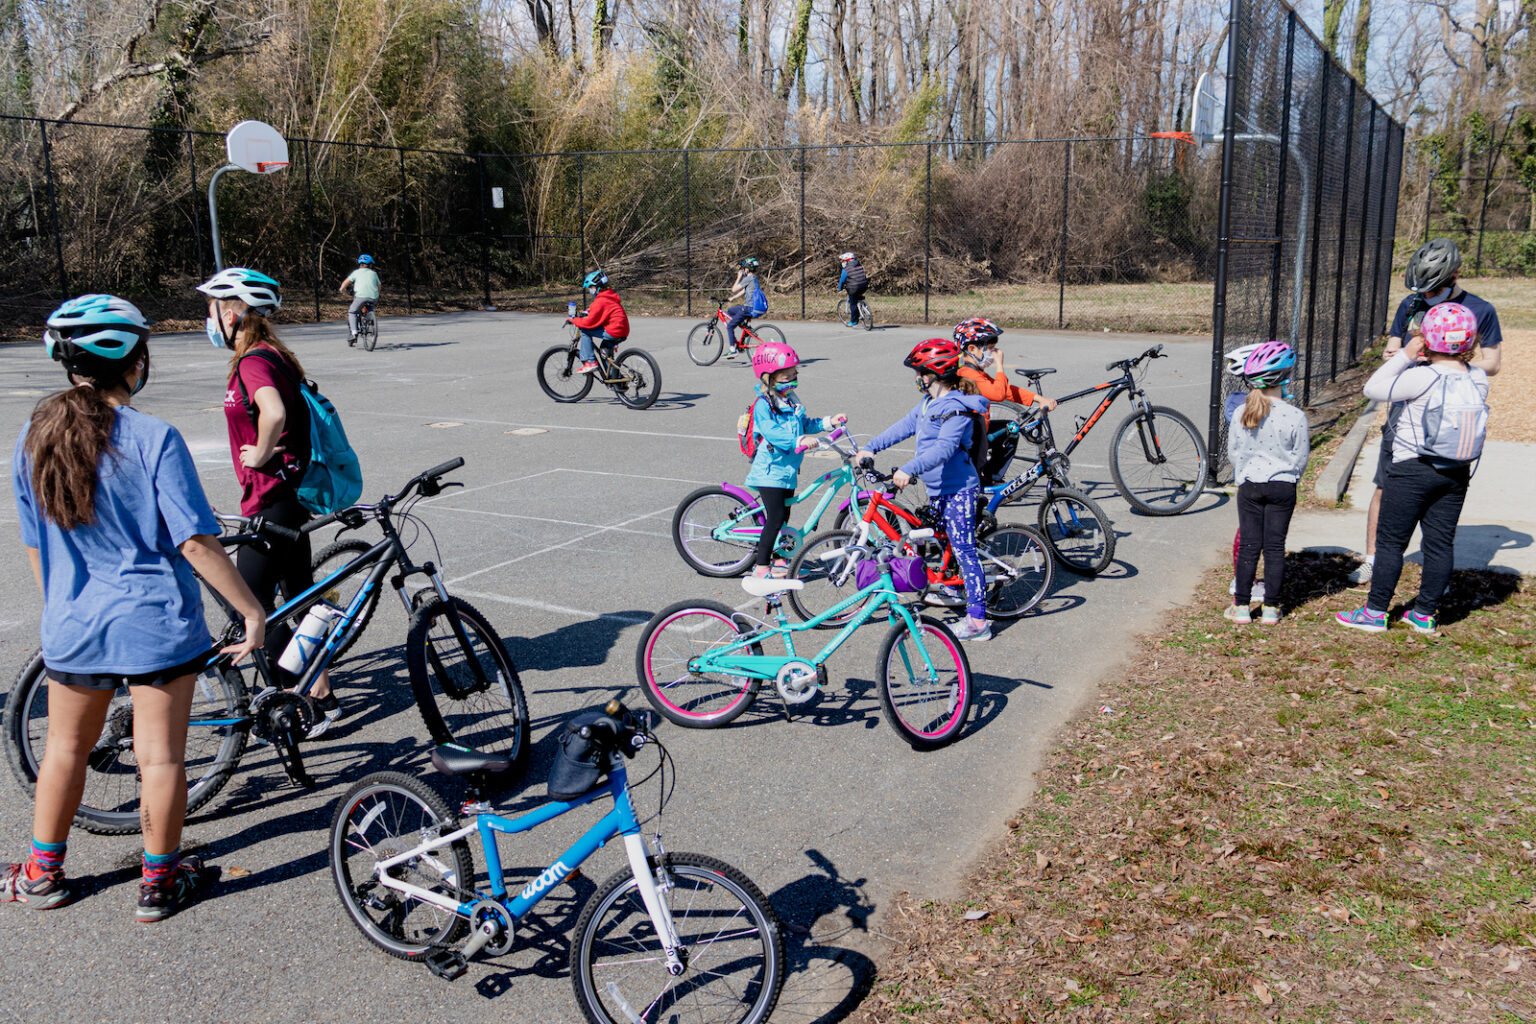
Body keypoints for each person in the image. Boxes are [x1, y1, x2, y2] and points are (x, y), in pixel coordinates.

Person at [3, 295, 263, 920]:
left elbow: (37, 544)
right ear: (132, 362)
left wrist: (66, 606)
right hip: (154, 625)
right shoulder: (153, 437)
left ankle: (42, 872)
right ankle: (159, 882)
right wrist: (251, 610)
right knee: (161, 757)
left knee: (65, 749)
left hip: (74, 623)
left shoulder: (33, 436)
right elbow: (196, 542)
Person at [198, 268, 340, 738]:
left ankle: (295, 703)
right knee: (298, 596)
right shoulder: (276, 354)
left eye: (212, 308)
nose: (209, 318)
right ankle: (321, 692)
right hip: (289, 495)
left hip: (271, 498)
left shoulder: (253, 361)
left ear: (233, 312)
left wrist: (259, 452)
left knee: (253, 606)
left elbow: (275, 412)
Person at [1349, 238, 1501, 586]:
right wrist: (1403, 356)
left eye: (1433, 290)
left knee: (1441, 500)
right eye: (1423, 292)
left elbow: (1493, 362)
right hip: (1406, 412)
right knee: (1384, 486)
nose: (1426, 298)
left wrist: (1450, 358)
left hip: (1452, 418)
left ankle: (1434, 575)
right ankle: (1374, 560)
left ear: (1454, 276)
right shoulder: (1411, 303)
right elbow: (1393, 347)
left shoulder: (1481, 309)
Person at [1337, 303, 1489, 635]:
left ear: (1427, 339)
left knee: (1391, 542)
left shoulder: (1422, 376)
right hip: (1456, 471)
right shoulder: (1477, 377)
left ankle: (1375, 612)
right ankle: (1424, 614)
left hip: (1412, 468)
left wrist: (1406, 354)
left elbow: (1373, 389)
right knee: (1440, 542)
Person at [858, 339, 993, 642]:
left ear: (932, 374)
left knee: (964, 550)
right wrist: (871, 447)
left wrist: (909, 468)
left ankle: (978, 621)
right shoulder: (928, 404)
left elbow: (945, 449)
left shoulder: (956, 409)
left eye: (919, 372)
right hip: (938, 489)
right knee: (944, 539)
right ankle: (953, 587)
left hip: (959, 489)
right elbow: (903, 427)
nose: (916, 378)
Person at [1222, 342, 1308, 625]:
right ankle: (1271, 608)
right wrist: (1289, 475)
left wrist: (1246, 472)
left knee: (1249, 546)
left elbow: (1233, 452)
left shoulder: (1242, 412)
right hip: (1283, 486)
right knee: (1274, 547)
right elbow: (1301, 457)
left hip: (1250, 485)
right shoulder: (1296, 415)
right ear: (1286, 379)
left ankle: (1242, 608)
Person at [743, 341, 845, 578]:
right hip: (770, 472)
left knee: (785, 517)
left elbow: (805, 423)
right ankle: (761, 567)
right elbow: (771, 432)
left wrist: (829, 422)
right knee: (776, 517)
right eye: (787, 376)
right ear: (768, 377)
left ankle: (780, 559)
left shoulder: (789, 398)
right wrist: (797, 442)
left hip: (787, 471)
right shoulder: (763, 404)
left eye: (795, 374)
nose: (793, 379)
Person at [952, 317, 1057, 485]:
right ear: (972, 348)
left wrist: (1038, 399)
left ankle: (990, 477)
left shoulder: (975, 371)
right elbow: (998, 393)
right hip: (971, 436)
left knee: (1011, 430)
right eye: (990, 349)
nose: (993, 354)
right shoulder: (968, 374)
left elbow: (1004, 389)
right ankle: (985, 480)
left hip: (980, 429)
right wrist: (1000, 366)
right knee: (1010, 430)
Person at [567, 270, 630, 374]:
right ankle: (617, 382)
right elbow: (599, 310)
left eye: (591, 288)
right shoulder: (609, 295)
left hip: (614, 330)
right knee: (604, 351)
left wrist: (575, 320)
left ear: (597, 287)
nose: (590, 291)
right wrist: (588, 311)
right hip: (622, 329)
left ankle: (590, 362)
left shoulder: (600, 301)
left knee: (585, 330)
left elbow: (589, 322)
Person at [724, 257, 768, 353]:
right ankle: (745, 327)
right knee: (731, 311)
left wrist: (738, 277)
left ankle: (732, 350)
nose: (743, 270)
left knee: (730, 326)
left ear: (747, 269)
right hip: (751, 307)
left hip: (748, 308)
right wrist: (733, 298)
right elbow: (745, 290)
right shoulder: (754, 279)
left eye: (744, 268)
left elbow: (734, 289)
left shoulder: (748, 278)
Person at [339, 255, 380, 347]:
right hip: (373, 297)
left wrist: (342, 289)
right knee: (369, 306)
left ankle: (354, 333)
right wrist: (377, 294)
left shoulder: (356, 273)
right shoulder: (374, 273)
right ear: (370, 265)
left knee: (352, 312)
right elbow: (379, 286)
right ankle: (370, 316)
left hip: (360, 297)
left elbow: (346, 282)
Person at [837, 252, 869, 326]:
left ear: (847, 261)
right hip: (864, 286)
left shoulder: (846, 269)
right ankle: (864, 309)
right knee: (858, 297)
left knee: (853, 303)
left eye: (844, 261)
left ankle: (854, 321)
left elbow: (842, 280)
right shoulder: (859, 265)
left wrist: (840, 288)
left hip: (854, 288)